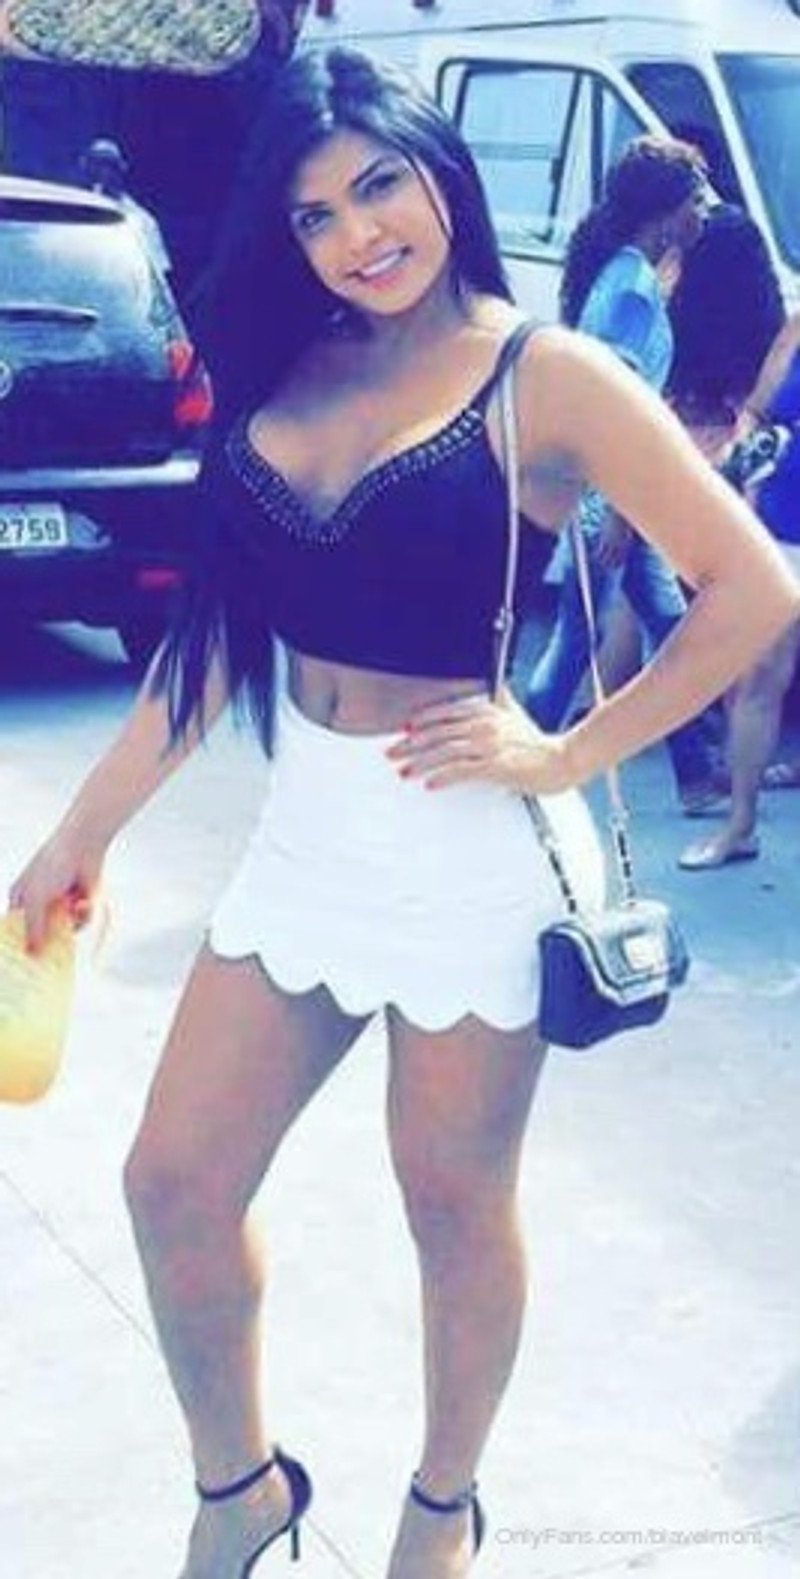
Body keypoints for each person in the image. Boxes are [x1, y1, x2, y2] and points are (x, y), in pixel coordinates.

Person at [9, 48, 800, 1579]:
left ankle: (441, 1510)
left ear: (441, 171)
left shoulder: (546, 374)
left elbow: (752, 585)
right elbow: (211, 647)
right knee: (173, 1179)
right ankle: (240, 1485)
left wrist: (567, 752)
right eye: (314, 213)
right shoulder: (289, 361)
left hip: (465, 849)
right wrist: (79, 830)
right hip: (303, 838)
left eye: (379, 185)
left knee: (450, 1202)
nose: (358, 233)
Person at [524, 134, 725, 816]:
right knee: (586, 638)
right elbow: (608, 413)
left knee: (666, 628)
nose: (706, 211)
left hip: (618, 497)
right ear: (667, 212)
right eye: (697, 199)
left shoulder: (626, 275)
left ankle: (697, 775)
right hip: (613, 501)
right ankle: (521, 760)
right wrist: (618, 513)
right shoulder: (631, 290)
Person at [667, 206, 800, 870]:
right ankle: (739, 825)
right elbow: (758, 406)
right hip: (784, 518)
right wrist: (749, 461)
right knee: (757, 674)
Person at [79, 136, 172, 277]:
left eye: (108, 165)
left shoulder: (142, 221)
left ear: (121, 169)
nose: (102, 172)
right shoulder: (73, 212)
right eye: (94, 164)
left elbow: (157, 271)